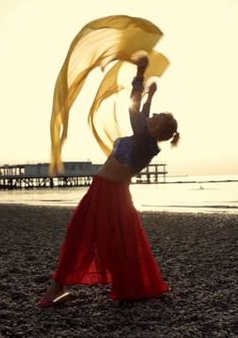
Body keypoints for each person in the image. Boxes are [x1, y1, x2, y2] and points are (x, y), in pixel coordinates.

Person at [38, 56, 179, 308]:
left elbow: (134, 112)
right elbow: (143, 116)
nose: (152, 115)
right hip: (106, 190)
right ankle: (65, 287)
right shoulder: (146, 141)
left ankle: (56, 289)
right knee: (110, 240)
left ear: (158, 128)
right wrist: (151, 97)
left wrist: (140, 72)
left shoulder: (145, 142)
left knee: (85, 236)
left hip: (110, 194)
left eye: (156, 116)